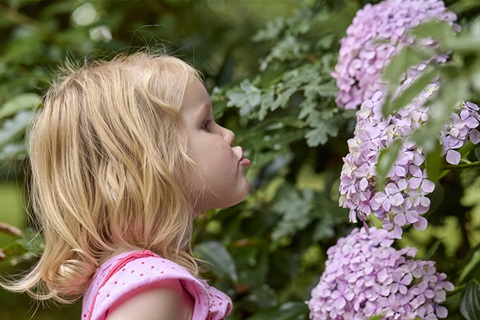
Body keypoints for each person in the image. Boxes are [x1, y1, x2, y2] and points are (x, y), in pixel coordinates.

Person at [1, 51, 251, 319]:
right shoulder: (152, 290)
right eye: (205, 124)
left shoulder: (138, 278)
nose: (228, 134)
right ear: (151, 164)